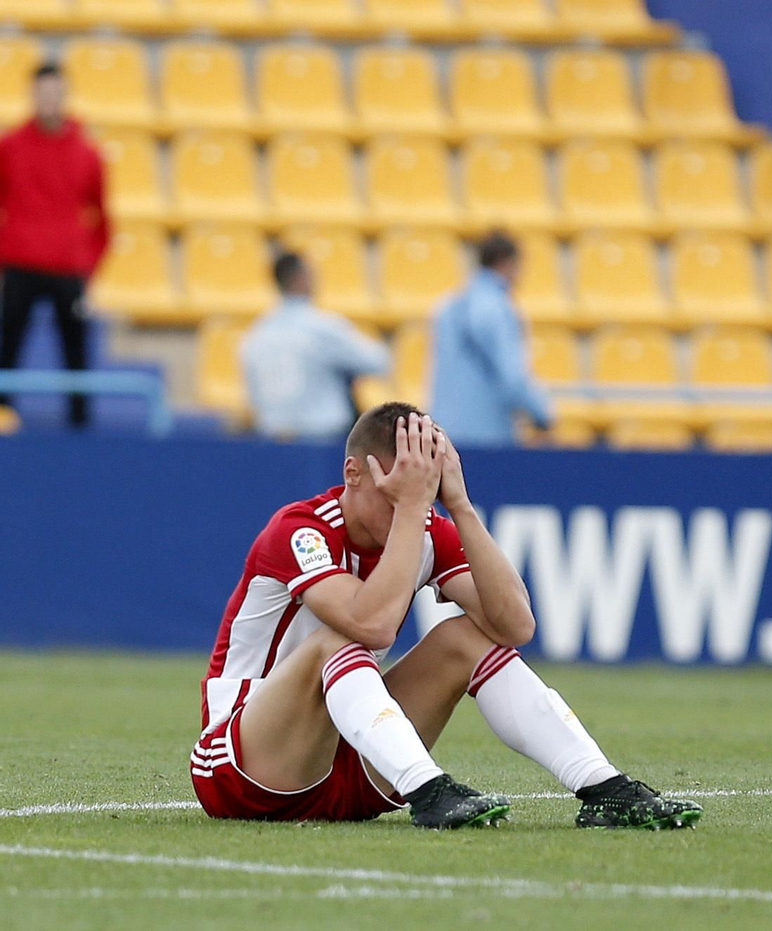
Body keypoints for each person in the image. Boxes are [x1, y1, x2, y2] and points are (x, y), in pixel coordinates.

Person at [190, 401, 702, 829]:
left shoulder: (426, 523)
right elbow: (372, 626)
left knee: (466, 636)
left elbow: (516, 626)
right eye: (397, 493)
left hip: (354, 772)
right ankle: (429, 790)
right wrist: (415, 509)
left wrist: (459, 505)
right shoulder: (301, 530)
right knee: (336, 640)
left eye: (425, 489)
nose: (412, 506)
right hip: (246, 768)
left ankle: (604, 787)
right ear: (353, 473)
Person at [0, 62, 110, 433]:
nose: (49, 100)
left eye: (55, 92)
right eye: (42, 92)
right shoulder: (9, 147)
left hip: (68, 270)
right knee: (8, 345)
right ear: (33, 95)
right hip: (18, 265)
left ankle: (80, 429)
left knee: (76, 351)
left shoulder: (87, 153)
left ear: (64, 95)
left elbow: (102, 217)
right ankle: (3, 418)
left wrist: (87, 264)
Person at [242, 251, 391, 440]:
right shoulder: (322, 328)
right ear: (302, 278)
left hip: (275, 441)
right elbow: (378, 362)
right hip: (324, 442)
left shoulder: (256, 335)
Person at [431, 231, 553, 447]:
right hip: (487, 437)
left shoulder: (448, 306)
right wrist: (542, 415)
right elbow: (512, 377)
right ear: (508, 263)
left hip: (445, 432)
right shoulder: (498, 309)